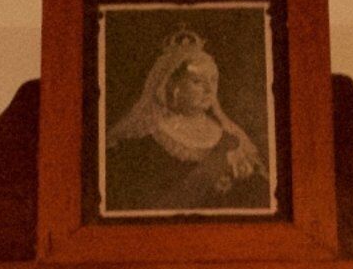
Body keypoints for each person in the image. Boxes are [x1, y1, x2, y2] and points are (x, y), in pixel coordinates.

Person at [102, 24, 267, 214]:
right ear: (171, 86)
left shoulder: (230, 137)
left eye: (213, 80)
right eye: (197, 81)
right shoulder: (144, 140)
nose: (209, 90)